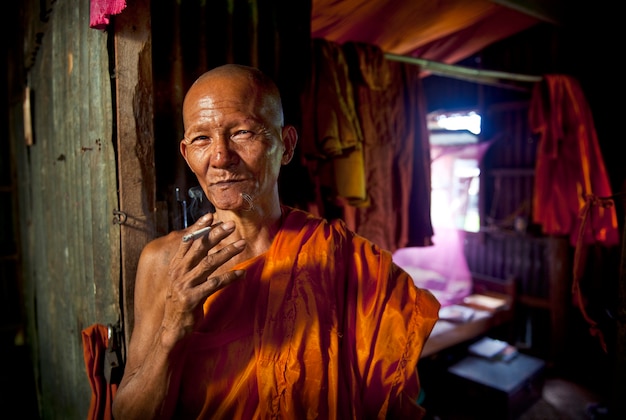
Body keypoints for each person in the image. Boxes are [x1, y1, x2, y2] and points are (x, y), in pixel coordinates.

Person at [111, 64, 440, 419]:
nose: (220, 157)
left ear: (286, 145)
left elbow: (389, 399)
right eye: (202, 139)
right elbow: (128, 414)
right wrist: (171, 328)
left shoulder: (345, 259)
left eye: (242, 132)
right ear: (187, 154)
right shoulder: (165, 261)